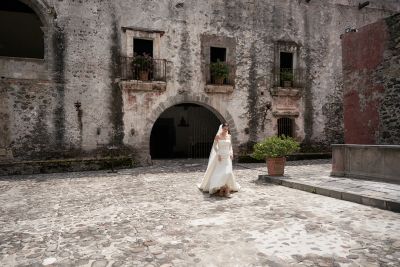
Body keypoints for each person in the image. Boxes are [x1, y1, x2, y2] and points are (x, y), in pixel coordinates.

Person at [198, 122, 241, 197]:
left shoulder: (229, 136)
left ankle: (225, 189)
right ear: (222, 128)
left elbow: (230, 146)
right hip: (220, 156)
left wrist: (231, 153)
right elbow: (215, 146)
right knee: (221, 173)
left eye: (227, 129)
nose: (225, 130)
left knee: (228, 173)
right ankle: (223, 189)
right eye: (224, 129)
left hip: (227, 157)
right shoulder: (218, 136)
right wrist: (218, 154)